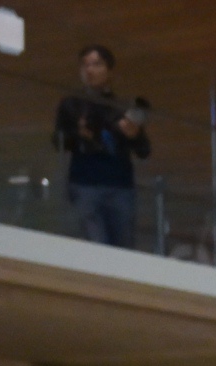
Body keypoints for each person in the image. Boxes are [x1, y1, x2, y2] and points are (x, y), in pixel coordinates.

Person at [54, 46, 151, 250]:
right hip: (85, 183)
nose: (90, 70)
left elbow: (144, 150)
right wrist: (79, 134)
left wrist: (133, 135)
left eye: (96, 64)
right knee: (94, 247)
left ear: (109, 70)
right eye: (85, 65)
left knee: (123, 247)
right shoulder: (72, 104)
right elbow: (58, 141)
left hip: (120, 185)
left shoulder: (121, 107)